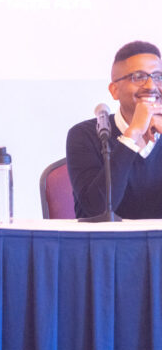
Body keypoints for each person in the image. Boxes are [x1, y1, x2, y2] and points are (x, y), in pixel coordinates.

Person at [67, 41, 162, 219]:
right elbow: (97, 210)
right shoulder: (85, 135)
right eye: (139, 76)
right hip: (108, 245)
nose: (151, 86)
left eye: (158, 77)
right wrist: (132, 134)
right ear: (114, 90)